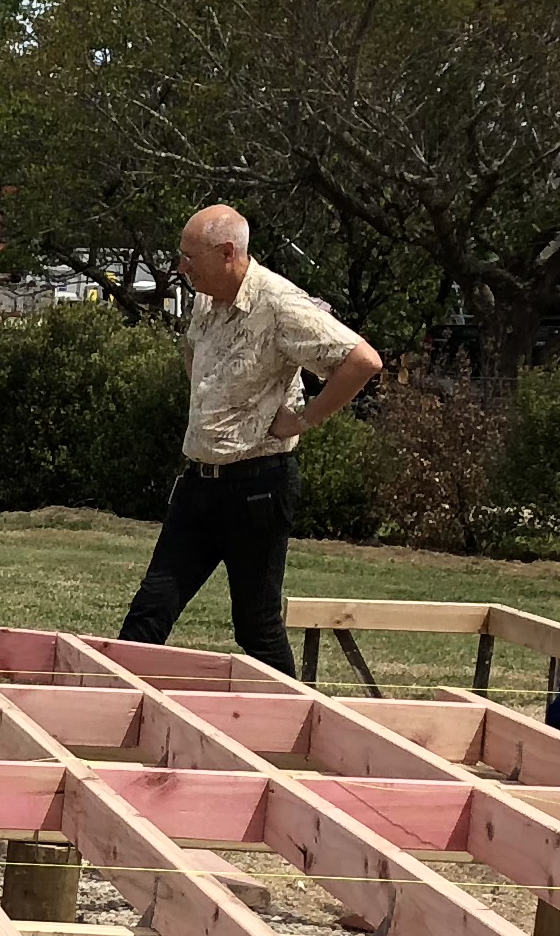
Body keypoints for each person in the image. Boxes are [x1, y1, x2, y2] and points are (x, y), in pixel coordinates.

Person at [118, 205, 380, 676]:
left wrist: (303, 419)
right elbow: (194, 353)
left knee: (255, 625)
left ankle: (292, 732)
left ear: (226, 253)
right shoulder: (205, 297)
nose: (181, 268)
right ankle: (101, 715)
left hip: (258, 486)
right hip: (199, 482)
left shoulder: (280, 304)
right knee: (150, 610)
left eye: (188, 257)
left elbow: (362, 361)